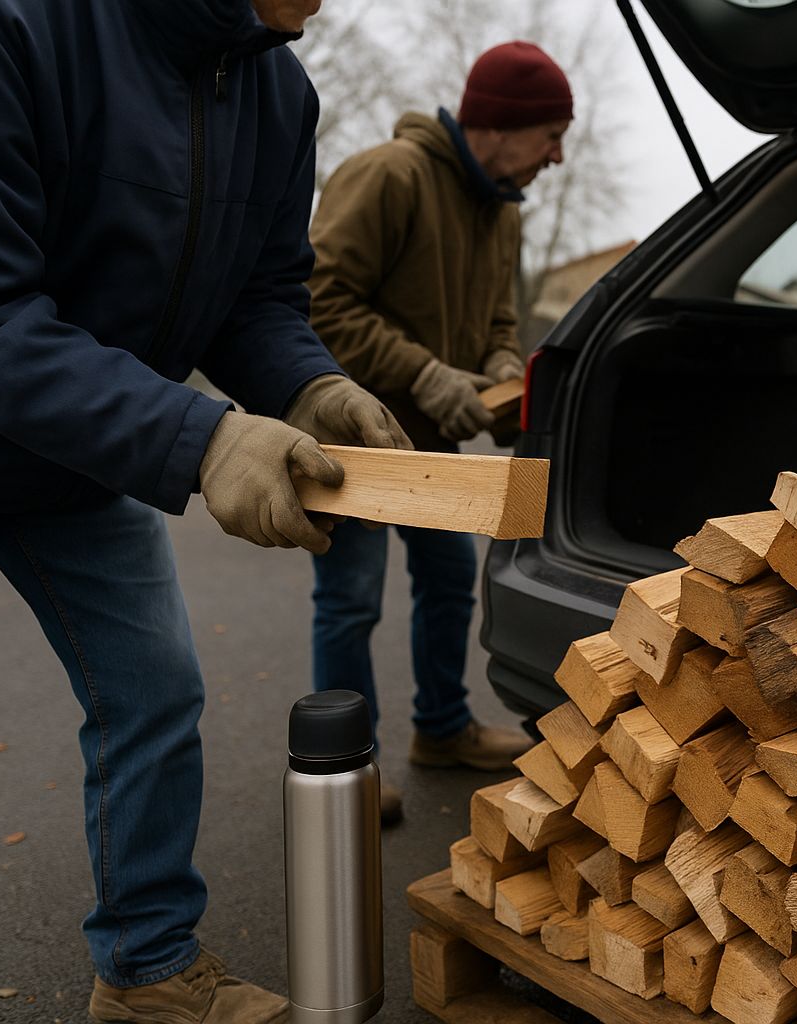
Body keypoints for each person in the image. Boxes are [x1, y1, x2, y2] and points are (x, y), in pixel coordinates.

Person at [0, 0, 410, 1020]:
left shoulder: (280, 93)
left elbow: (262, 301)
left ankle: (147, 969)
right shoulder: (0, 21)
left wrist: (307, 386)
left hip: (78, 456)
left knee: (154, 696)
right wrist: (201, 438)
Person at [306, 41, 571, 820]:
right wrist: (423, 371)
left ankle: (442, 730)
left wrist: (494, 360)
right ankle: (345, 774)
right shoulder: (389, 175)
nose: (556, 157)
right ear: (499, 126)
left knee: (452, 575)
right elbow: (319, 301)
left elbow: (497, 317)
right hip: (351, 427)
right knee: (351, 598)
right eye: (550, 135)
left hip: (431, 441)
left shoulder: (503, 207)